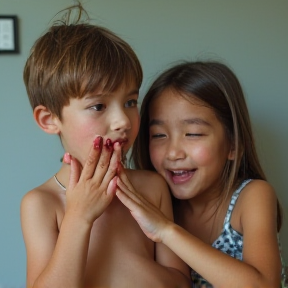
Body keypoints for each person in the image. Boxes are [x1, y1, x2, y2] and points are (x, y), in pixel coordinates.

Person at [20, 4, 191, 288]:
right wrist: (79, 217)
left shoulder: (151, 188)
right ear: (49, 119)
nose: (123, 120)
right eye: (98, 106)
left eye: (130, 102)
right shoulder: (41, 204)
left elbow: (180, 283)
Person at [115, 61, 286, 288]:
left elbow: (264, 285)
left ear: (233, 144)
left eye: (193, 134)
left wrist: (166, 230)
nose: (174, 153)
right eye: (158, 135)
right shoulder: (155, 204)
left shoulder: (253, 196)